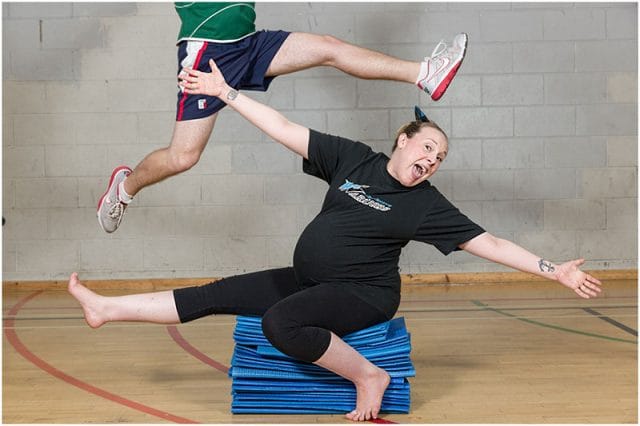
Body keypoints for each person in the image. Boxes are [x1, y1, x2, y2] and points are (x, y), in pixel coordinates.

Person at [71, 57, 603, 422]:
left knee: (282, 321)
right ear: (403, 141)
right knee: (213, 295)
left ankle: (369, 376)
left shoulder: (427, 205)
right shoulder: (353, 159)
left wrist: (554, 269)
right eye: (427, 149)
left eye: (439, 159)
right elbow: (281, 127)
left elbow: (491, 244)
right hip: (312, 278)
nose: (430, 161)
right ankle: (105, 309)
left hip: (363, 293)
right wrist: (226, 93)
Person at [97, 1, 469, 233]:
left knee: (328, 47)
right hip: (208, 49)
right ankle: (125, 189)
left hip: (247, 42)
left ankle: (424, 73)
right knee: (184, 156)